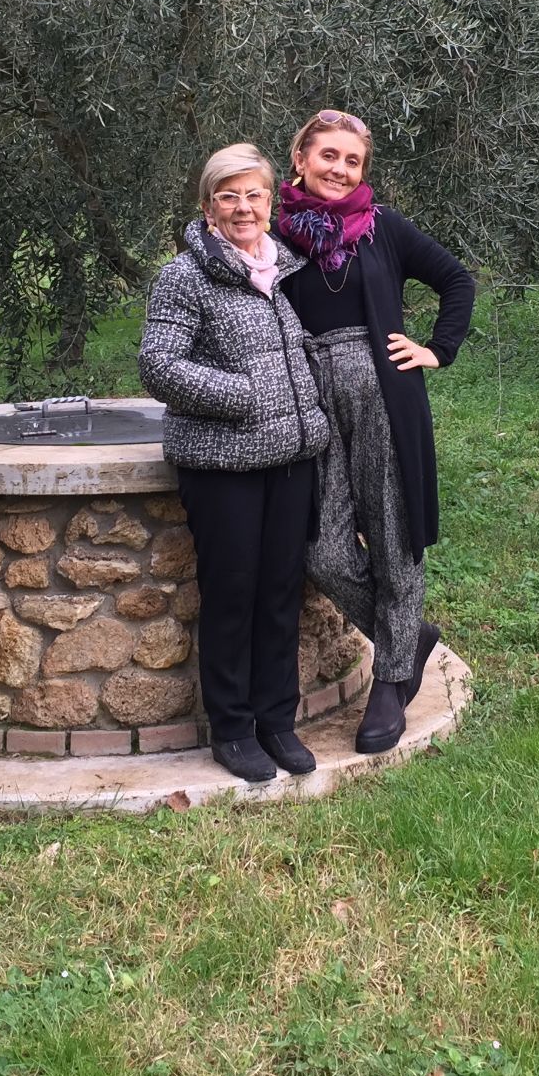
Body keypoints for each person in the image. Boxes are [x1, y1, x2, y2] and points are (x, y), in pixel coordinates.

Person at [275, 110, 474, 753]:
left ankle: (390, 684)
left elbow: (455, 280)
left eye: (352, 160)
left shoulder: (382, 228)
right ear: (300, 158)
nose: (339, 169)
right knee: (323, 550)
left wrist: (437, 349)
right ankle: (408, 637)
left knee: (393, 533)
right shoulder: (274, 237)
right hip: (309, 403)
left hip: (385, 396)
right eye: (327, 155)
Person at [138, 143, 331, 783]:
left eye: (254, 194)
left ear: (271, 204)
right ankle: (232, 729)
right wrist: (244, 395)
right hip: (224, 465)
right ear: (208, 206)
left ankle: (277, 721)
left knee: (280, 593)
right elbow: (159, 365)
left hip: (291, 457)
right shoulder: (185, 276)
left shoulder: (287, 270)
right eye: (229, 195)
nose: (243, 207)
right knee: (233, 595)